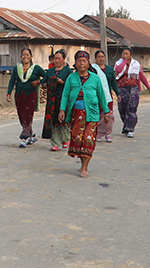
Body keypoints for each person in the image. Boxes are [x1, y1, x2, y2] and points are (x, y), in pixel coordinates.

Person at [58, 50, 108, 178]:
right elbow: (65, 94)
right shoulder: (71, 78)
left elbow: (101, 96)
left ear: (88, 63)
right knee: (78, 139)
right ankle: (82, 163)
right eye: (79, 61)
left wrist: (106, 111)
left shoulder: (95, 78)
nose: (81, 63)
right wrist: (62, 109)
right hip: (76, 114)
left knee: (88, 139)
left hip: (92, 114)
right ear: (75, 63)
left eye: (84, 61)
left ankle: (85, 167)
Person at [6, 47, 44, 148]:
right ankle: (31, 136)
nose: (25, 57)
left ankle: (24, 138)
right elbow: (12, 81)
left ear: (31, 56)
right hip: (19, 94)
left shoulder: (36, 68)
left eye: (27, 55)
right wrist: (9, 93)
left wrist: (39, 82)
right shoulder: (17, 68)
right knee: (21, 115)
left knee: (28, 115)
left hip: (31, 95)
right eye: (23, 55)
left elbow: (47, 76)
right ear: (20, 57)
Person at [115, 47, 150, 138]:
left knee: (131, 108)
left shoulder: (136, 64)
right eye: (123, 53)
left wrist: (148, 87)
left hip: (133, 88)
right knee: (122, 108)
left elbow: (142, 76)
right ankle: (126, 125)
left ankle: (130, 129)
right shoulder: (118, 63)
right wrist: (124, 61)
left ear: (131, 55)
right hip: (121, 88)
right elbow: (118, 70)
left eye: (127, 54)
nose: (125, 55)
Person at [41, 49, 73, 151]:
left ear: (64, 59)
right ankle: (55, 143)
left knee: (64, 120)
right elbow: (44, 82)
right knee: (53, 120)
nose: (57, 60)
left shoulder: (68, 71)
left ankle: (65, 139)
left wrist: (61, 82)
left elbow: (70, 85)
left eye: (59, 58)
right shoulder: (50, 71)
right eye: (55, 58)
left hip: (64, 98)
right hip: (52, 99)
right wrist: (46, 84)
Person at [91, 49, 119, 142]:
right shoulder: (92, 69)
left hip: (107, 95)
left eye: (102, 56)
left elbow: (113, 82)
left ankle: (107, 133)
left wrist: (117, 93)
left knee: (108, 115)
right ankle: (98, 133)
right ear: (95, 58)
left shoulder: (109, 69)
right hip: (96, 95)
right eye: (99, 57)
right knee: (98, 115)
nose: (101, 58)